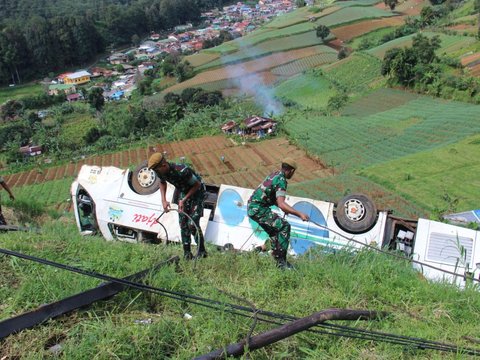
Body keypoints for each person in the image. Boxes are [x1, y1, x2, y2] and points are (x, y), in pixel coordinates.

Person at [247, 158, 309, 269]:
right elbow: (281, 203)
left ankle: (277, 259)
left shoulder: (274, 175)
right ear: (291, 171)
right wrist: (299, 214)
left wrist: (286, 209)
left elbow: (274, 198)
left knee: (275, 232)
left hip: (254, 207)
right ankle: (281, 262)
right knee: (284, 226)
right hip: (258, 209)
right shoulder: (282, 180)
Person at [148, 153, 207, 260]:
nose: (156, 172)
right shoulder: (160, 171)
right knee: (183, 223)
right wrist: (164, 200)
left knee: (192, 224)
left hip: (197, 192)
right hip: (183, 191)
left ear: (164, 165)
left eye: (157, 170)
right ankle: (187, 254)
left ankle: (202, 252)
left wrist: (184, 200)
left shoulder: (182, 170)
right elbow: (162, 183)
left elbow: (197, 184)